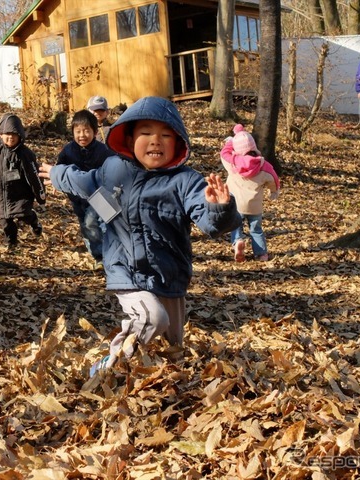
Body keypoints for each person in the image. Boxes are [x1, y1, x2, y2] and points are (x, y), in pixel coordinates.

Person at [39, 96, 241, 376]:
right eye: (146, 133)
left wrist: (218, 207)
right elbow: (86, 182)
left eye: (165, 135)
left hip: (169, 272)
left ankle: (165, 382)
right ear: (129, 138)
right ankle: (109, 366)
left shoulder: (185, 180)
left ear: (178, 143)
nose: (155, 141)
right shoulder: (115, 169)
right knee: (152, 318)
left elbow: (209, 222)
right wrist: (58, 173)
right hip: (126, 269)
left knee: (173, 345)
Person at [57, 109, 114, 264]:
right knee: (87, 226)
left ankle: (107, 255)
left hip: (100, 194)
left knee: (105, 223)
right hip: (78, 197)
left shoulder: (103, 151)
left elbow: (112, 169)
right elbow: (60, 169)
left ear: (95, 132)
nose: (82, 135)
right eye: (78, 131)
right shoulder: (68, 151)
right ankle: (97, 254)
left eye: (86, 131)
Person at [0, 113, 46, 250]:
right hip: (1, 194)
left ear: (20, 136)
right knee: (5, 220)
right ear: (0, 134)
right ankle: (11, 243)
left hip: (21, 194)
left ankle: (34, 222)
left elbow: (34, 176)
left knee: (24, 215)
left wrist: (40, 195)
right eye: (7, 133)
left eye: (14, 134)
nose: (10, 137)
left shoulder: (25, 154)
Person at [220, 124, 280, 262]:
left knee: (235, 225)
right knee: (256, 229)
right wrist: (274, 191)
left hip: (237, 205)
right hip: (255, 206)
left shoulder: (232, 164)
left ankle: (237, 242)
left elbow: (224, 154)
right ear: (253, 146)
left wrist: (230, 142)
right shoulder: (263, 166)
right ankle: (261, 254)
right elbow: (273, 178)